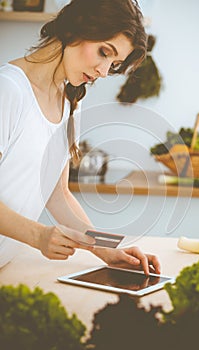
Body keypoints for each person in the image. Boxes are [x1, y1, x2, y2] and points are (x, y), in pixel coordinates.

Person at [0, 0, 160, 275]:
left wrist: (108, 249)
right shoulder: (9, 89)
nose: (103, 70)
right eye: (103, 52)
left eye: (114, 64)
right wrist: (38, 236)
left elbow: (57, 193)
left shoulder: (71, 99)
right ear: (77, 27)